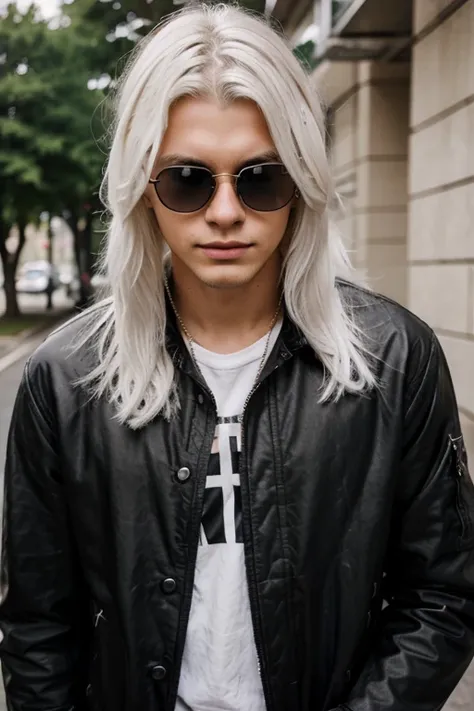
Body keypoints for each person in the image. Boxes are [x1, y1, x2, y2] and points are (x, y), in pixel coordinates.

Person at [1, 4, 474, 711]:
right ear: (143, 191)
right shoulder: (66, 381)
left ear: (302, 184)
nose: (226, 211)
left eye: (260, 177)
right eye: (189, 179)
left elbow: (441, 595)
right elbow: (40, 627)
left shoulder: (394, 361)